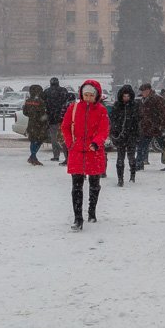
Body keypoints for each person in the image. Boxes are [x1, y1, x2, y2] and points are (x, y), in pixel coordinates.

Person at [61, 79, 111, 231]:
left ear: (97, 96)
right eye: (86, 95)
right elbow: (65, 127)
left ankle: (92, 210)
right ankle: (78, 218)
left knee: (94, 184)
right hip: (77, 151)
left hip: (94, 152)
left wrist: (96, 142)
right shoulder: (73, 108)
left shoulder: (101, 110)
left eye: (91, 95)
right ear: (82, 94)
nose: (88, 98)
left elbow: (104, 130)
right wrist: (70, 143)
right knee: (76, 186)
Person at [109, 84, 140, 186]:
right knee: (120, 158)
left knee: (131, 157)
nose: (126, 98)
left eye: (128, 96)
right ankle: (120, 179)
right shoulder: (117, 105)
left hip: (131, 135)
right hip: (120, 135)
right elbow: (113, 119)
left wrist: (136, 134)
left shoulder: (135, 106)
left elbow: (138, 121)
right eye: (124, 96)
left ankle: (132, 175)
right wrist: (114, 132)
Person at [137, 82, 165, 170]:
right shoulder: (143, 99)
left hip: (156, 128)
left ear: (148, 90)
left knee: (164, 146)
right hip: (146, 127)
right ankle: (139, 164)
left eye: (143, 91)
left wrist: (162, 126)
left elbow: (163, 114)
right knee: (141, 146)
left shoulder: (157, 99)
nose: (142, 93)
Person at [44, 77, 73, 163]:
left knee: (54, 138)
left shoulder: (47, 92)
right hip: (63, 118)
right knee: (64, 138)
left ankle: (56, 155)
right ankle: (67, 156)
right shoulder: (63, 90)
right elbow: (67, 102)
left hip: (52, 118)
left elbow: (45, 104)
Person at [22, 84, 49, 165]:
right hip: (40, 124)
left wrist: (31, 115)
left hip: (31, 123)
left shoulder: (28, 101)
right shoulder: (41, 101)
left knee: (33, 140)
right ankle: (33, 156)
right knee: (39, 140)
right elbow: (43, 113)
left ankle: (33, 157)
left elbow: (25, 112)